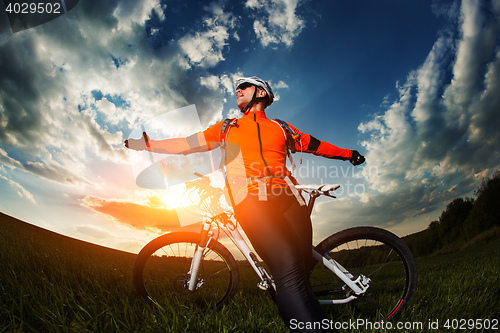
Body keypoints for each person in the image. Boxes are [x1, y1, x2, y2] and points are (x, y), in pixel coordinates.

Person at [125, 76, 365, 332]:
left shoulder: (282, 127)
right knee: (289, 274)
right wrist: (148, 144)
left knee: (300, 271)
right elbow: (187, 144)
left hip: (290, 197)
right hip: (251, 200)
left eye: (244, 87)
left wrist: (349, 154)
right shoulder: (227, 127)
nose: (237, 90)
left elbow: (316, 145)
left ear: (261, 93)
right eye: (236, 87)